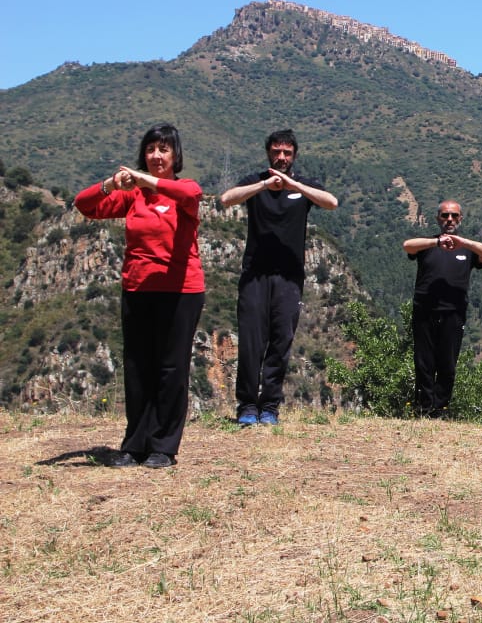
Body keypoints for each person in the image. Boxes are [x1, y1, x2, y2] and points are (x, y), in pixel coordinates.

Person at [74, 124, 205, 468]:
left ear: (176, 154)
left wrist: (145, 180)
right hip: (137, 288)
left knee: (171, 368)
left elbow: (191, 197)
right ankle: (135, 445)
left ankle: (163, 446)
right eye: (151, 150)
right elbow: (84, 205)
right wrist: (109, 185)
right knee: (138, 368)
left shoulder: (184, 189)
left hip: (181, 291)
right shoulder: (133, 196)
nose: (156, 156)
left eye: (164, 149)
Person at [219, 130, 338, 426]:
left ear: (294, 155)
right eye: (276, 152)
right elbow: (226, 199)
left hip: (289, 277)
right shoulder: (255, 182)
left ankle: (270, 406)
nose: (281, 157)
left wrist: (292, 185)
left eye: (286, 153)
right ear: (268, 153)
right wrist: (263, 184)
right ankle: (247, 405)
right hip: (255, 275)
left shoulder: (302, 187)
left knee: (280, 340)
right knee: (250, 341)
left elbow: (331, 202)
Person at [402, 200, 482, 418]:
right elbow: (408, 245)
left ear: (460, 219)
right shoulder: (427, 245)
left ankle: (440, 408)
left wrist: (462, 242)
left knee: (447, 362)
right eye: (445, 216)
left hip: (453, 312)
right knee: (424, 361)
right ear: (438, 219)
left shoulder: (467, 250)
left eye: (454, 216)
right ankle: (423, 408)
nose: (450, 220)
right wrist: (437, 243)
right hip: (424, 309)